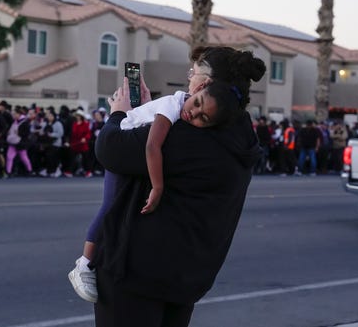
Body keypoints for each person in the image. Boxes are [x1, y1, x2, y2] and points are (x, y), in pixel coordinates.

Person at [89, 46, 265, 327]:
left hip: (138, 274)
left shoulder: (186, 135)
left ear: (208, 83)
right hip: (187, 274)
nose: (190, 79)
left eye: (195, 73)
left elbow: (109, 148)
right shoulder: (241, 135)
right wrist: (147, 113)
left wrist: (119, 115)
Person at [68, 54, 238, 303]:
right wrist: (158, 186)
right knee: (110, 205)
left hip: (129, 134)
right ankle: (84, 265)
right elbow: (151, 146)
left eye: (204, 118)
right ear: (199, 89)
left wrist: (144, 107)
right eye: (198, 104)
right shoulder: (173, 106)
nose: (195, 114)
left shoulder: (179, 106)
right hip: (122, 141)